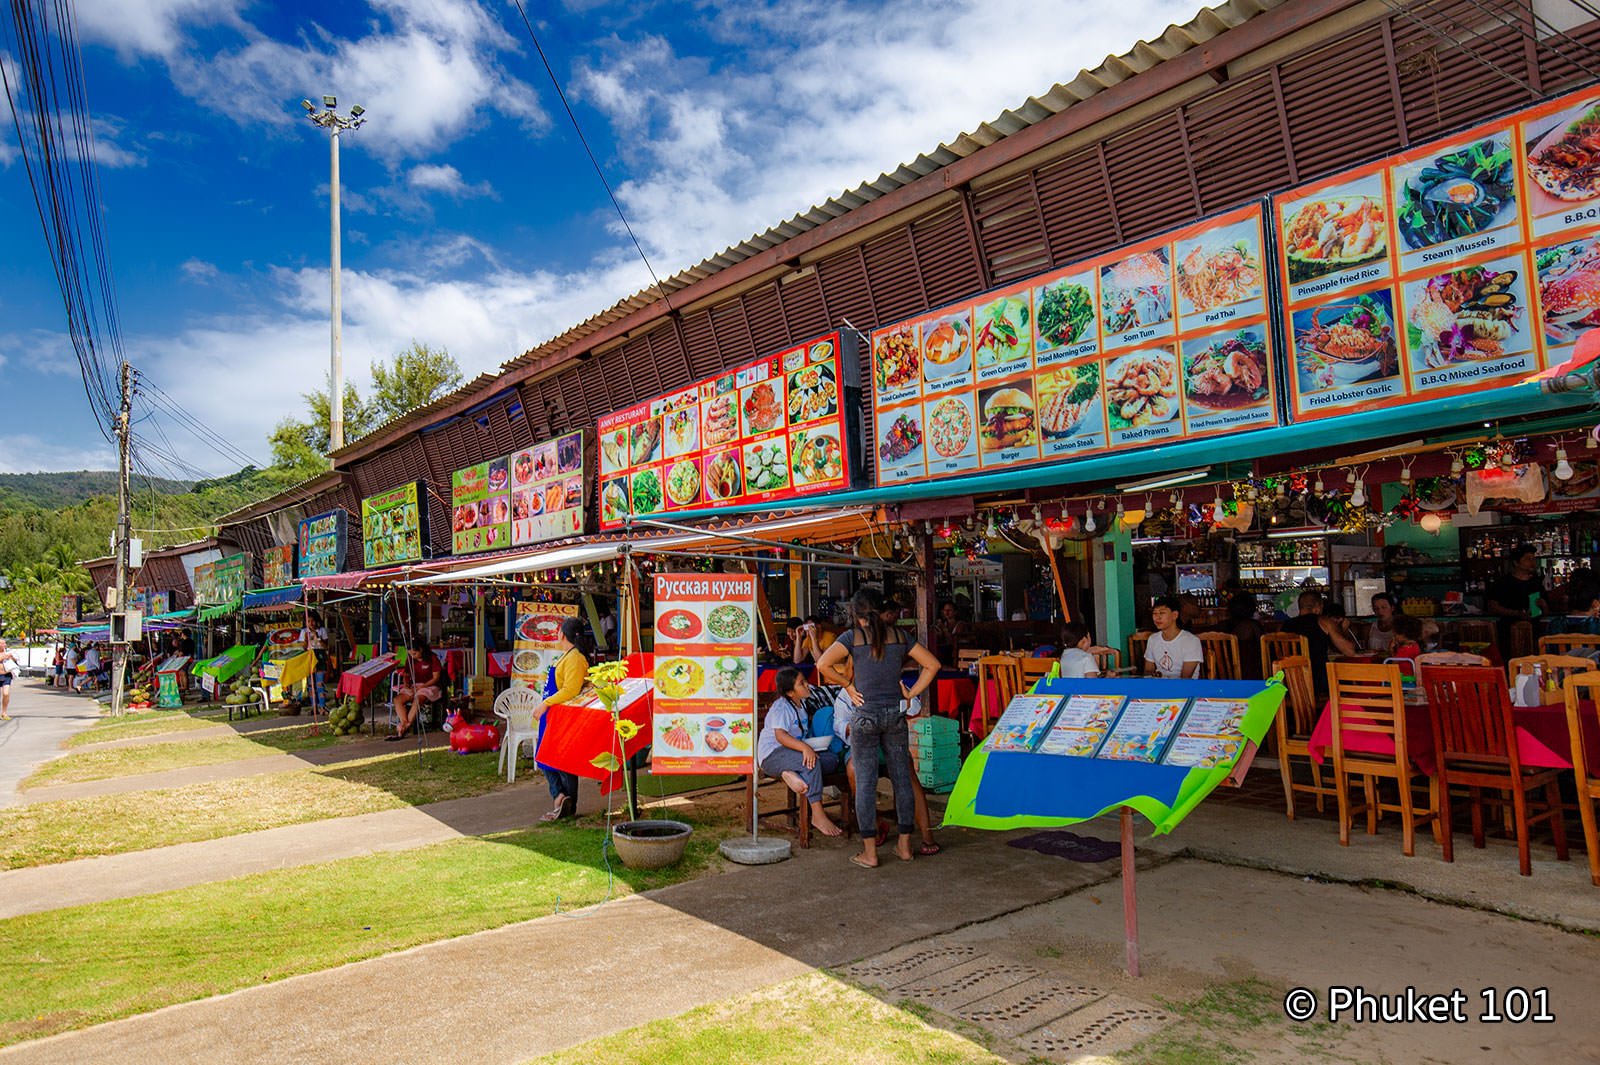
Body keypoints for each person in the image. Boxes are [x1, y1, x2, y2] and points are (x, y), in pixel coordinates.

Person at [816, 588, 940, 868]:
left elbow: (822, 664)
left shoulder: (852, 638)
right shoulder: (900, 637)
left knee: (866, 782)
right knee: (902, 781)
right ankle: (905, 847)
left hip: (865, 716)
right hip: (895, 714)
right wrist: (910, 694)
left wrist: (848, 686)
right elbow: (932, 664)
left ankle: (870, 853)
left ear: (856, 614)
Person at [757, 668, 843, 837]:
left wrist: (809, 746)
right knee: (812, 763)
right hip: (772, 756)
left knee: (832, 759)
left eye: (805, 681)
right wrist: (805, 748)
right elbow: (780, 736)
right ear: (790, 692)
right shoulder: (781, 707)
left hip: (790, 755)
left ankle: (790, 773)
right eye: (801, 683)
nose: (807, 685)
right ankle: (817, 815)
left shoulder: (800, 704)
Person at [538, 617, 591, 822]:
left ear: (561, 635)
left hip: (564, 716)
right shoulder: (566, 656)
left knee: (563, 761)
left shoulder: (575, 658)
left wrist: (545, 703)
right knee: (545, 757)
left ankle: (566, 802)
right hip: (553, 716)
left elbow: (571, 689)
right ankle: (559, 796)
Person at [1283, 591, 1358, 697]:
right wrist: (1344, 630)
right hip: (1318, 682)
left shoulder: (1283, 626)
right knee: (1353, 680)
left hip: (1289, 683)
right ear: (1318, 607)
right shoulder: (1323, 622)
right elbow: (1349, 651)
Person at [1486, 544, 1546, 657]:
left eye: (1534, 559)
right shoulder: (1503, 583)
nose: (1532, 562)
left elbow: (1545, 611)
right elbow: (1492, 606)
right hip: (1508, 633)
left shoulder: (1536, 583)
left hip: (1533, 633)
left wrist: (1543, 605)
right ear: (1516, 562)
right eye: (1528, 559)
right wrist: (1516, 613)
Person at [389, 636, 443, 740]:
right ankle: (405, 723)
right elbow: (406, 673)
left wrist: (422, 686)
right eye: (410, 654)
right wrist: (406, 683)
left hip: (429, 686)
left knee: (418, 699)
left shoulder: (432, 658)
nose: (412, 656)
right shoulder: (410, 659)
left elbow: (436, 678)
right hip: (414, 686)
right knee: (397, 700)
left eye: (414, 653)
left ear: (421, 649)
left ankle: (404, 727)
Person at [1145, 597, 1203, 678]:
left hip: (1184, 688)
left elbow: (1185, 678)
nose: (1157, 617)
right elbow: (1148, 672)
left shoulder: (1191, 641)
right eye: (1154, 613)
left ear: (1175, 615)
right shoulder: (1153, 639)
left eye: (1162, 613)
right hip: (1159, 687)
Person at [1227, 592, 1264, 679]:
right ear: (1251, 608)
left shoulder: (1225, 625)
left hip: (1229, 673)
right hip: (1252, 674)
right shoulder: (1252, 626)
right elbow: (1265, 646)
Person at [0, 638, 18, 719]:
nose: (4, 645)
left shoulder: (8, 651)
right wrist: (3, 657)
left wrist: (11, 657)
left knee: (6, 693)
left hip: (7, 674)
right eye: (2, 643)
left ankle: (4, 712)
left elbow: (16, 659)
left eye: (4, 643)